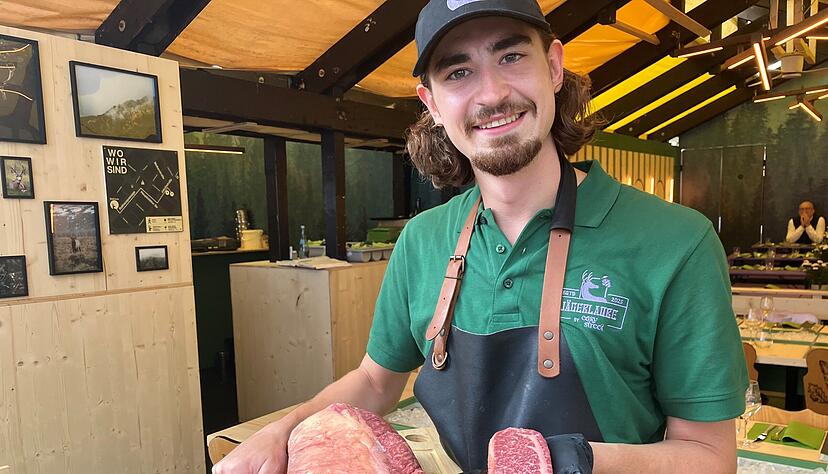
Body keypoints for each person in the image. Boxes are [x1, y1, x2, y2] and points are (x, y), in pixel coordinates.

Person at [213, 1, 747, 472]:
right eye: (458, 73)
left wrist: (568, 463)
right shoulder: (423, 240)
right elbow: (376, 382)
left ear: (555, 67)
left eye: (511, 57)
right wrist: (287, 429)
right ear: (431, 103)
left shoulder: (676, 242)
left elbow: (708, 456)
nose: (491, 93)